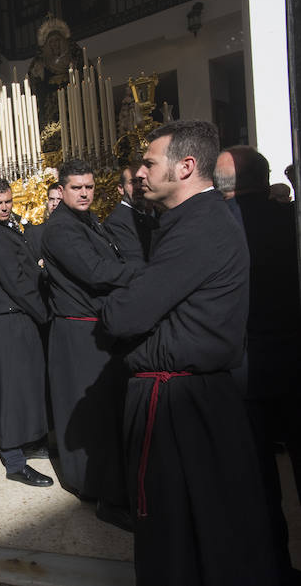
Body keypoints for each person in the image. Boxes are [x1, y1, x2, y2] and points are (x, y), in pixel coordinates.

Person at [101, 120, 279, 585]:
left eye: (148, 162)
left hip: (178, 403)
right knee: (201, 528)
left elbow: (125, 315)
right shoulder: (190, 220)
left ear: (185, 167)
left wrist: (122, 307)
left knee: (178, 532)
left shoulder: (198, 224)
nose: (139, 172)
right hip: (188, 396)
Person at [215, 146, 301, 584]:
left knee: (259, 480)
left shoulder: (220, 226)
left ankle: (274, 567)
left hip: (246, 365)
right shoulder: (288, 218)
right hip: (293, 356)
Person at [42, 159, 140, 527]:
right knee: (94, 414)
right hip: (79, 334)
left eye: (89, 187)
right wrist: (148, 271)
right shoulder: (61, 229)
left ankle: (109, 486)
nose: (84, 193)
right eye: (76, 187)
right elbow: (97, 272)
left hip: (95, 329)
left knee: (105, 412)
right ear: (61, 189)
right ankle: (101, 494)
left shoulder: (85, 220)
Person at [0, 179, 54, 487]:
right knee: (11, 387)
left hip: (15, 314)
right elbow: (15, 281)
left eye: (8, 201)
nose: (5, 207)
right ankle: (14, 460)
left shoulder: (6, 228)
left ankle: (28, 440)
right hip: (7, 318)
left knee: (24, 384)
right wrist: (43, 313)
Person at [104, 166, 157, 262]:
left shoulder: (153, 214)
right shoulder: (116, 222)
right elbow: (136, 261)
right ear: (121, 189)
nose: (138, 187)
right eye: (132, 182)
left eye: (141, 181)